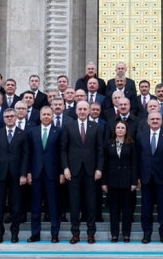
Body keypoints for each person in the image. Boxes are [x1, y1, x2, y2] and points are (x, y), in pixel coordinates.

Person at [61, 100, 104, 244]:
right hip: (73, 171)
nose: (82, 111)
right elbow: (63, 150)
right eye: (80, 109)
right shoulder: (68, 126)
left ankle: (91, 233)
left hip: (91, 171)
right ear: (76, 111)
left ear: (89, 111)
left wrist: (99, 168)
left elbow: (100, 150)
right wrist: (65, 167)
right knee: (74, 203)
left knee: (91, 203)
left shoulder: (96, 127)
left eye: (85, 109)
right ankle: (75, 234)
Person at [0, 108, 29, 243]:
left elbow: (25, 156)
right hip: (0, 175)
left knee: (16, 206)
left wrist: (23, 174)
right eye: (7, 116)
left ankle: (14, 233)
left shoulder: (23, 134)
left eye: (12, 116)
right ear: (3, 118)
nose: (9, 118)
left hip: (17, 175)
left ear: (16, 117)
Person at [137, 111, 163, 244]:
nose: (154, 121)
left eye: (157, 119)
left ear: (161, 121)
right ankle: (146, 234)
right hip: (146, 177)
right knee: (146, 208)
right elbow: (137, 158)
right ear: (147, 121)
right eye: (152, 119)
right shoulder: (141, 136)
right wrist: (138, 177)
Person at [27, 107, 62, 243]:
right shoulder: (32, 132)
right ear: (40, 116)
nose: (46, 116)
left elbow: (61, 153)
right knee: (35, 206)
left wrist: (61, 172)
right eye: (44, 114)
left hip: (52, 174)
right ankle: (35, 234)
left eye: (48, 114)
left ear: (53, 116)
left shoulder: (58, 132)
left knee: (53, 205)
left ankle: (55, 234)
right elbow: (28, 154)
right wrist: (28, 172)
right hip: (36, 173)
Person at [102, 121, 138, 243]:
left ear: (126, 130)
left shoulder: (131, 144)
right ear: (115, 130)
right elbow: (105, 164)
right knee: (114, 210)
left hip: (127, 182)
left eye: (123, 127)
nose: (120, 129)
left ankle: (126, 234)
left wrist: (134, 182)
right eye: (118, 127)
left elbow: (134, 164)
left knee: (127, 211)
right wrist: (104, 182)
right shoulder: (108, 143)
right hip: (112, 182)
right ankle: (114, 234)